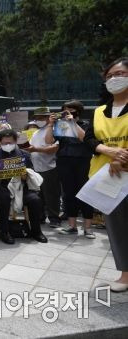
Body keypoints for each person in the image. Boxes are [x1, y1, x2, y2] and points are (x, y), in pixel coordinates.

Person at [84, 57, 128, 292]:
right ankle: (125, 274)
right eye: (110, 76)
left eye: (119, 74)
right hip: (107, 176)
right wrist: (107, 150)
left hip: (125, 170)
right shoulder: (100, 111)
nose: (114, 79)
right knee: (117, 225)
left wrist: (123, 158)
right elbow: (90, 139)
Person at [42, 101, 95, 238]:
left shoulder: (87, 124)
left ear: (78, 111)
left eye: (71, 110)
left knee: (86, 193)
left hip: (83, 161)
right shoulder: (61, 126)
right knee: (68, 193)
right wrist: (50, 124)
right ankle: (72, 226)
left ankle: (88, 228)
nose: (68, 113)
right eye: (65, 110)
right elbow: (48, 141)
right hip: (64, 161)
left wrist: (73, 123)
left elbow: (85, 139)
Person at [0, 129, 48, 245]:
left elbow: (31, 174)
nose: (7, 145)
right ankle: (4, 232)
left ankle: (36, 231)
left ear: (15, 141)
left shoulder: (25, 155)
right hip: (1, 186)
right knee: (2, 197)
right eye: (4, 143)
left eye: (10, 142)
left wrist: (25, 176)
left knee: (35, 200)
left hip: (21, 187)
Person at [26, 108, 62, 228]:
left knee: (51, 194)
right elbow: (29, 146)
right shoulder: (36, 132)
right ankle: (40, 216)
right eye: (37, 118)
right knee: (38, 194)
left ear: (49, 117)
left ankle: (54, 218)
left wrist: (36, 149)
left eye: (41, 117)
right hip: (36, 167)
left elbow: (52, 148)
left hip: (50, 167)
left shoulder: (56, 130)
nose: (38, 120)